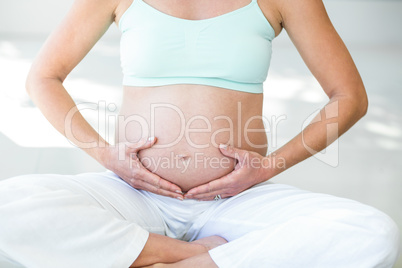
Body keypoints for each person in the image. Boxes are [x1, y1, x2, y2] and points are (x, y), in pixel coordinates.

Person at [0, 0, 399, 267]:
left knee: (373, 232)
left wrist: (268, 167)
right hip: (134, 193)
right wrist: (106, 155)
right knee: (7, 207)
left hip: (236, 201)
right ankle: (198, 255)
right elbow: (43, 78)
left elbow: (349, 97)